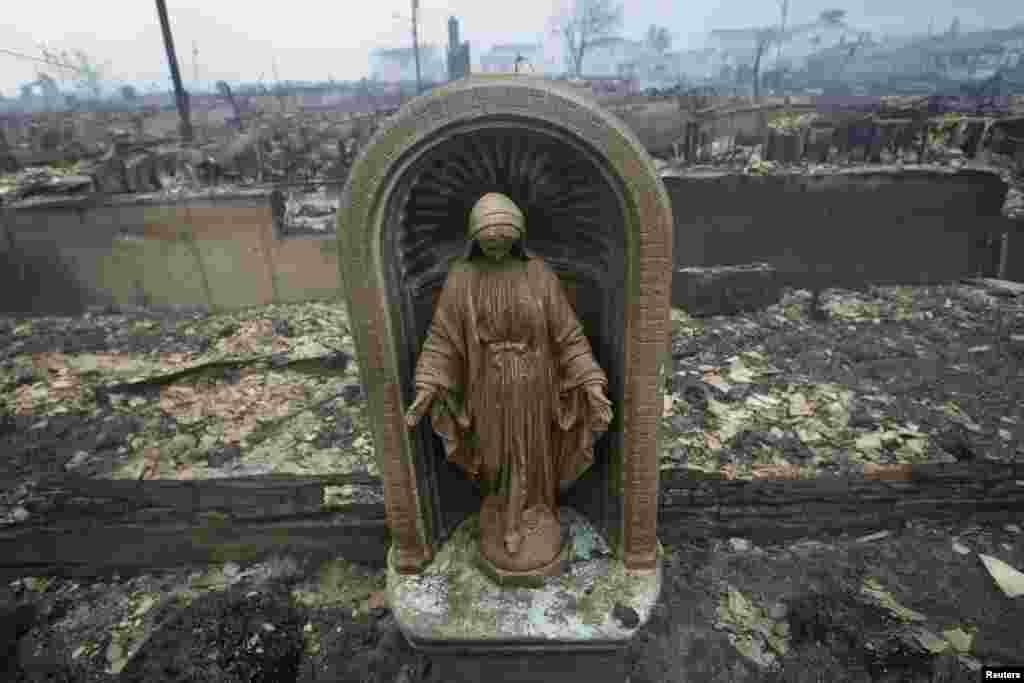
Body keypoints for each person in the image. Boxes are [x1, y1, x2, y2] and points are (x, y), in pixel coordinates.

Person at [404, 192, 613, 570]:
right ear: (475, 239)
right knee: (495, 455)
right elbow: (442, 338)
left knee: (534, 453)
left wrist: (590, 378)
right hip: (488, 387)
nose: (497, 248)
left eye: (504, 240)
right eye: (489, 242)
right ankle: (502, 511)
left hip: (535, 387)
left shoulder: (539, 275)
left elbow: (568, 335)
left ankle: (534, 512)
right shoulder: (462, 278)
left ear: (518, 237)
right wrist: (428, 383)